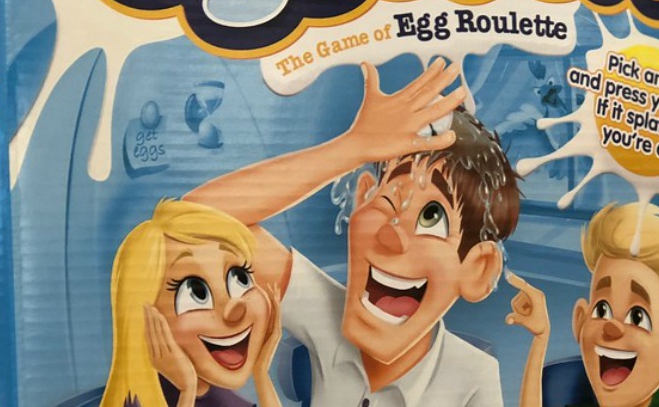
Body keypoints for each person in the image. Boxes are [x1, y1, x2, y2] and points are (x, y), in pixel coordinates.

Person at [186, 58, 547, 406]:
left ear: (478, 269)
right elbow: (194, 220)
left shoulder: (472, 377)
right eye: (388, 201)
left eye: (432, 218)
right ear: (362, 199)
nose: (393, 235)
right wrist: (352, 148)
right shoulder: (324, 313)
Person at [101, 200, 283, 407]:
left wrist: (261, 373)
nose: (234, 309)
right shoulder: (135, 402)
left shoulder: (221, 398)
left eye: (239, 277)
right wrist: (187, 391)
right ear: (144, 319)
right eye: (196, 292)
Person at [569, 203, 659, 407]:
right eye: (602, 310)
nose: (612, 327)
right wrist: (540, 340)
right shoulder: (579, 391)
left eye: (638, 317)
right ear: (580, 320)